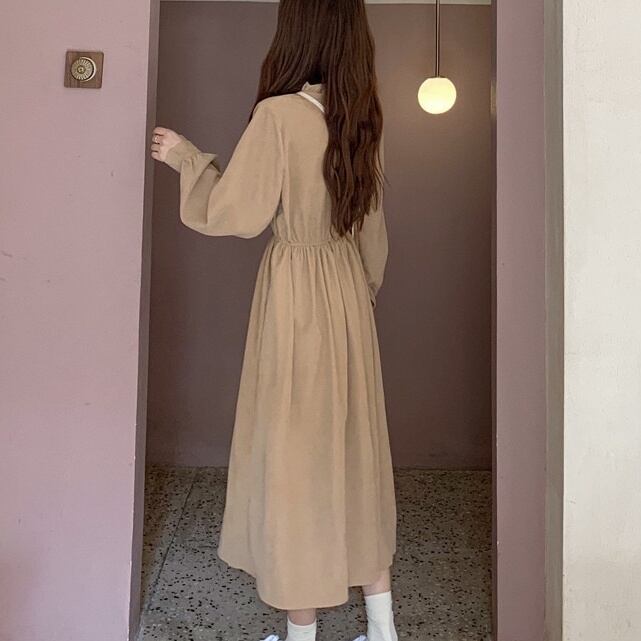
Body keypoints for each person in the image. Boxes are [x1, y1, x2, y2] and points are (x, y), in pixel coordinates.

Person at [150, 1, 397, 639]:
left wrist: (187, 158)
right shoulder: (360, 115)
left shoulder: (280, 115)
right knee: (355, 452)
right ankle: (382, 628)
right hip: (348, 292)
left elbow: (237, 211)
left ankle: (302, 633)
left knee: (295, 459)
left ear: (296, 31)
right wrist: (358, 296)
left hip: (297, 298)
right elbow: (372, 232)